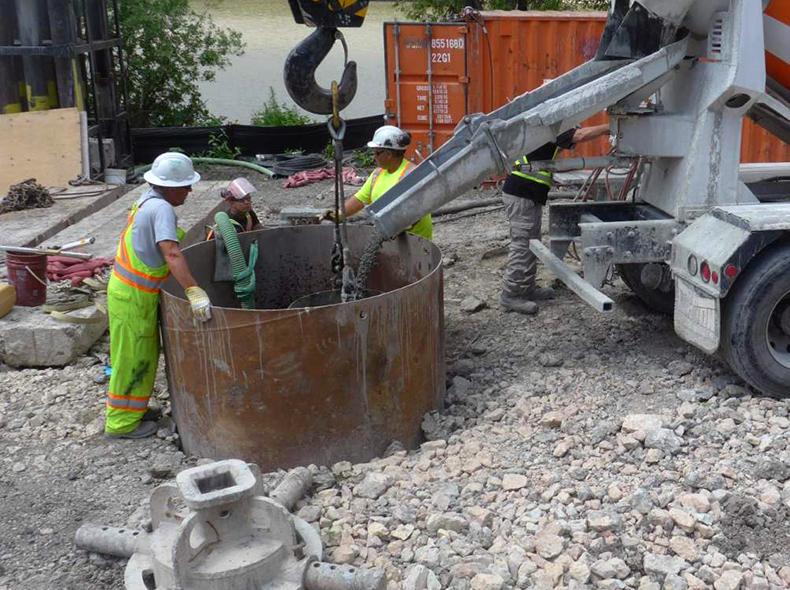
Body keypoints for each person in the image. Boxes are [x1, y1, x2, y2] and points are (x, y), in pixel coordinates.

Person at [105, 152, 213, 439]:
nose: (190, 190)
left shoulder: (146, 200)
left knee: (142, 354)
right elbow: (171, 253)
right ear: (168, 186)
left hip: (131, 294)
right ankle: (121, 424)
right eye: (186, 185)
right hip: (133, 297)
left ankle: (134, 409)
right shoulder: (161, 209)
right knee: (133, 357)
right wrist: (194, 291)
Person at [500, 123, 611, 315]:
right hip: (521, 193)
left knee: (531, 243)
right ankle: (512, 295)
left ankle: (526, 288)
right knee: (522, 245)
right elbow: (580, 135)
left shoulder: (546, 129)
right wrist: (609, 127)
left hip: (527, 193)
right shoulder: (554, 126)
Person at [330, 125, 432, 240]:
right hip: (390, 237)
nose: (374, 157)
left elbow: (413, 216)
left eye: (377, 153)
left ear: (388, 154)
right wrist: (336, 215)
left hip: (414, 243)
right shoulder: (377, 174)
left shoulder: (411, 175)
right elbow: (360, 199)